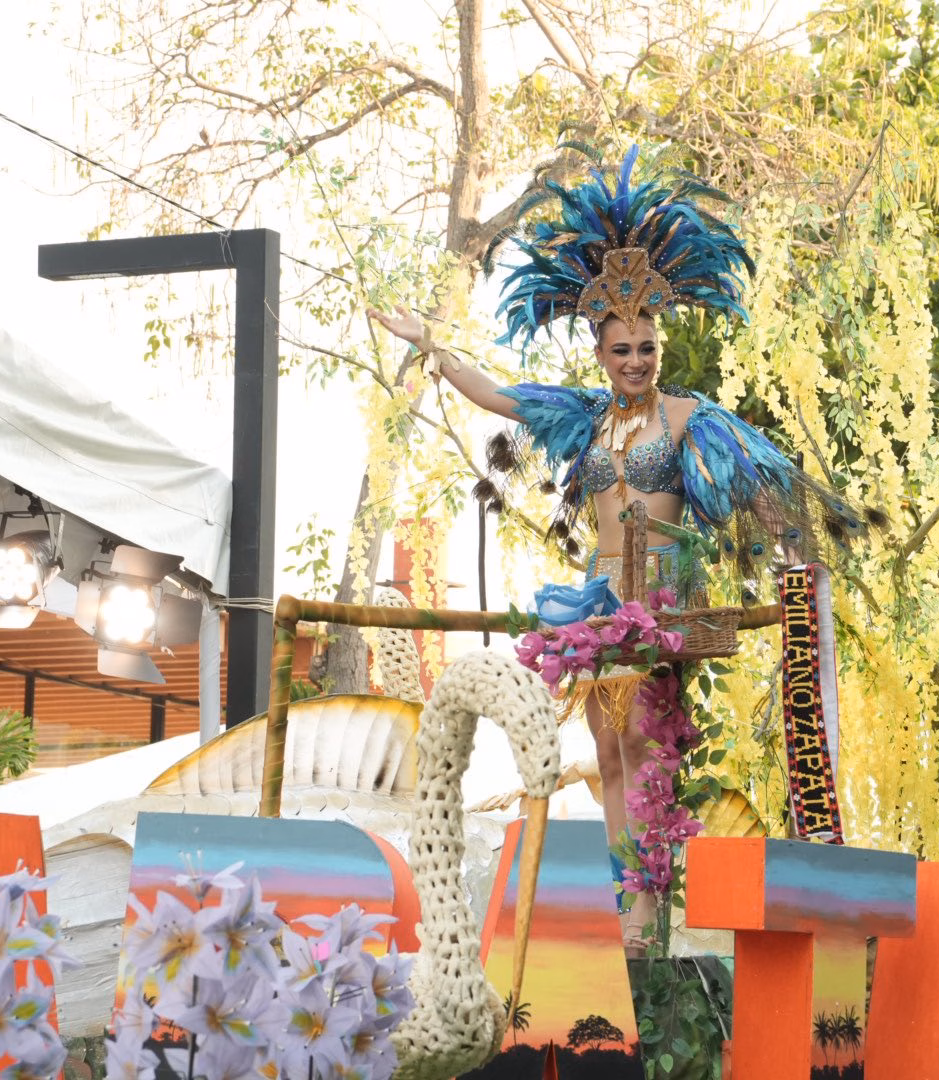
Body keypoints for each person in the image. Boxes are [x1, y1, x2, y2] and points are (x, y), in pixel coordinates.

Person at [369, 146, 878, 949]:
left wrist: (793, 551)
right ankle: (625, 916)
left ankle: (649, 918)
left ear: (659, 348)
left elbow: (762, 480)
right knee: (607, 753)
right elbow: (497, 392)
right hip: (598, 596)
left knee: (647, 749)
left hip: (663, 592)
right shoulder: (584, 417)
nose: (636, 360)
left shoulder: (688, 418)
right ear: (599, 353)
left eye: (646, 346)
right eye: (620, 349)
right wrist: (430, 343)